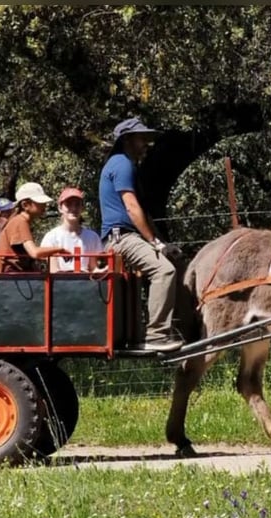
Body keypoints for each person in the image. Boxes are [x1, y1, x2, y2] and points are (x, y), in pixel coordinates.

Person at [99, 117, 182, 352]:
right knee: (164, 271)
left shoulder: (127, 165)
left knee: (168, 266)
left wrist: (163, 244)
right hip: (121, 239)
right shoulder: (121, 164)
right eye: (141, 138)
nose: (147, 143)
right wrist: (155, 243)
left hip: (126, 237)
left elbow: (143, 213)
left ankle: (145, 334)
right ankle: (156, 335)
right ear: (127, 139)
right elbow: (132, 208)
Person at [0, 182, 70, 273]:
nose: (44, 205)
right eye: (40, 202)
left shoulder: (20, 221)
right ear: (25, 205)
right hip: (9, 279)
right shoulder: (20, 222)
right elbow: (35, 253)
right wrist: (59, 249)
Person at [40, 186, 103, 272]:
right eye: (68, 204)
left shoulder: (92, 237)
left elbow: (93, 268)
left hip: (86, 281)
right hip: (61, 281)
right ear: (60, 208)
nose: (73, 208)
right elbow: (54, 270)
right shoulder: (51, 237)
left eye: (77, 204)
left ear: (82, 208)